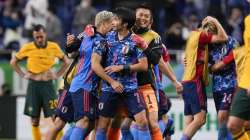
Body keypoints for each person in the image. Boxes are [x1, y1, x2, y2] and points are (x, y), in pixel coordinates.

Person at [92, 7, 151, 140]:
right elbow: (95, 61)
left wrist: (122, 68)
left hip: (130, 88)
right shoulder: (106, 38)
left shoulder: (136, 41)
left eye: (116, 19)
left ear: (125, 24)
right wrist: (112, 82)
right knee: (102, 126)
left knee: (142, 122)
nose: (113, 21)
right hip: (110, 87)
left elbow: (144, 65)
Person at [10, 24, 69, 140]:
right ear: (33, 36)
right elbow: (13, 62)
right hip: (34, 86)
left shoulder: (53, 47)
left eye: (41, 36)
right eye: (37, 37)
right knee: (34, 120)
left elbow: (66, 62)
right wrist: (23, 74)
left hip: (48, 85)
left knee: (56, 118)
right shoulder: (28, 47)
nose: (39, 39)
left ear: (45, 35)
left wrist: (57, 74)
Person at [66, 10, 113, 140]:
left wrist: (69, 45)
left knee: (91, 123)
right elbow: (70, 49)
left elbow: (70, 49)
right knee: (84, 120)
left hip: (84, 86)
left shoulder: (87, 34)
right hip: (84, 85)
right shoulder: (100, 41)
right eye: (111, 23)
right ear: (104, 24)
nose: (113, 26)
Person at [181, 16, 228, 140]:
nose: (213, 37)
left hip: (187, 81)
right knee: (200, 119)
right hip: (194, 80)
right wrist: (216, 20)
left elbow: (186, 58)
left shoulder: (194, 37)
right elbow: (224, 37)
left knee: (189, 120)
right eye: (212, 33)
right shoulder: (202, 35)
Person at [208, 35, 239, 140]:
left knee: (222, 116)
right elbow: (208, 68)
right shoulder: (208, 46)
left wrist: (219, 65)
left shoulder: (231, 41)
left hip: (230, 85)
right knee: (223, 120)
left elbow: (237, 54)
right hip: (217, 87)